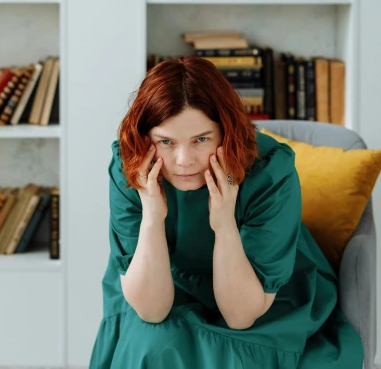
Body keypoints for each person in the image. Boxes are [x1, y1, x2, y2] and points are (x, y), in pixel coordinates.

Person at [89, 56, 364, 369]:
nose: (183, 160)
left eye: (201, 139)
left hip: (258, 291)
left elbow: (240, 316)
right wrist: (152, 216)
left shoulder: (270, 170)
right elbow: (152, 311)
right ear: (145, 139)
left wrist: (224, 225)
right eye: (165, 141)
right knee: (151, 347)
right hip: (158, 277)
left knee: (236, 357)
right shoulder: (131, 165)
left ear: (227, 131)